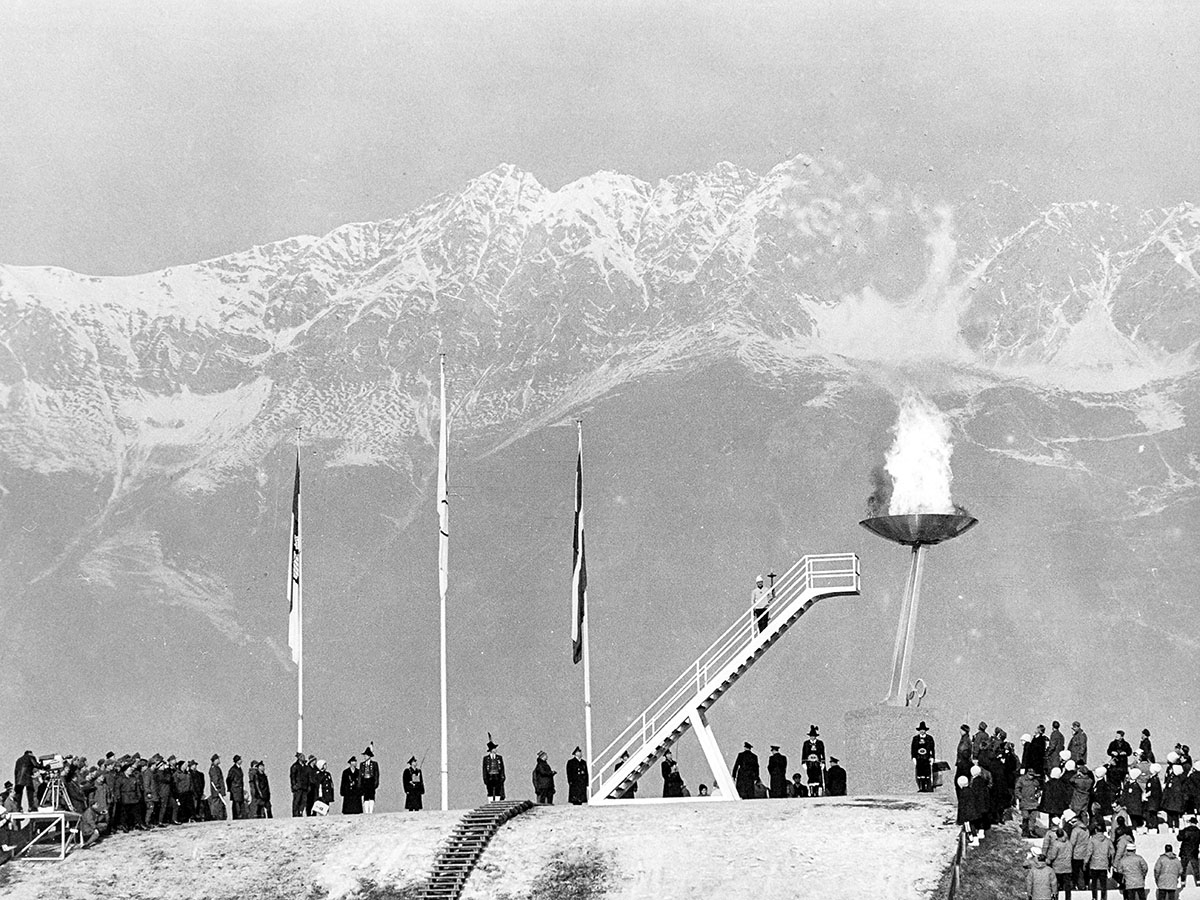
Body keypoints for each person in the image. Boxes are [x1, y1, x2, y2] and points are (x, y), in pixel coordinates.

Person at [1086, 824, 1115, 900]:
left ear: (1096, 830)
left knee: (1094, 883)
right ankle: (1103, 897)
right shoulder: (1108, 840)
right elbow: (1112, 851)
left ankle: (1094, 897)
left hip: (1094, 864)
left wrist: (1085, 862)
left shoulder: (1092, 840)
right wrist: (1111, 861)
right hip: (1104, 864)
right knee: (1103, 883)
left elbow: (1089, 852)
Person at [1016, 768, 1043, 837]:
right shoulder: (1021, 780)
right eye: (1030, 774)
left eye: (1033, 775)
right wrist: (1020, 797)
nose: (1031, 776)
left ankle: (1031, 831)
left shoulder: (1035, 781)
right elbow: (1017, 789)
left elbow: (1039, 789)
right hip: (1025, 801)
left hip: (1033, 802)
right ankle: (1025, 831)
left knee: (1032, 818)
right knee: (1025, 817)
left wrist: (1038, 794)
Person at [1176, 816, 1200, 889]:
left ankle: (1183, 882)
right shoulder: (1199, 832)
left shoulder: (1185, 830)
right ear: (1196, 823)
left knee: (1183, 868)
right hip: (1194, 852)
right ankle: (1198, 881)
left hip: (1185, 851)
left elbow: (1179, 838)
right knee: (1196, 867)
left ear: (1190, 822)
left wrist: (1180, 831)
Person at [912, 722, 936, 792]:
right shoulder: (915, 739)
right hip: (919, 759)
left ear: (925, 730)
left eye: (923, 730)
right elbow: (913, 749)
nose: (922, 731)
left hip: (926, 759)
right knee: (919, 774)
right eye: (921, 730)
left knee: (927, 773)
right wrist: (913, 757)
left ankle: (927, 787)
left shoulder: (929, 738)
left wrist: (932, 758)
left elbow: (932, 749)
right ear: (919, 730)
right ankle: (921, 787)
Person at [482, 735, 506, 802]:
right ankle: (490, 803)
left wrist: (503, 776)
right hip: (489, 777)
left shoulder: (499, 757)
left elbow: (502, 768)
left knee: (498, 790)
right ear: (491, 750)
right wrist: (485, 778)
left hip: (497, 776)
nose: (496, 750)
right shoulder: (486, 759)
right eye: (494, 748)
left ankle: (497, 802)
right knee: (490, 791)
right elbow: (484, 769)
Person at [360, 745, 379, 814]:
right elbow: (360, 776)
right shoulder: (362, 764)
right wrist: (360, 784)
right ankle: (366, 811)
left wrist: (376, 783)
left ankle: (370, 811)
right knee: (366, 797)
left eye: (366, 755)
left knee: (371, 797)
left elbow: (376, 774)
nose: (364, 757)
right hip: (365, 781)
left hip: (371, 781)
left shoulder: (374, 764)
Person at [226, 755, 246, 820]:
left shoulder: (239, 768)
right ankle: (237, 816)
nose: (241, 761)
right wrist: (230, 788)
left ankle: (240, 816)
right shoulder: (233, 769)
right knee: (236, 803)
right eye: (240, 759)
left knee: (240, 803)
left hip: (239, 789)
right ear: (237, 761)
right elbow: (228, 779)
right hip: (235, 789)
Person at [208, 754, 227, 820]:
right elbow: (215, 778)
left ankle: (220, 816)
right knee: (216, 803)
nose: (219, 760)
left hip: (219, 789)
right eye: (218, 759)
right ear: (215, 760)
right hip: (217, 790)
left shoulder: (216, 768)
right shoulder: (213, 768)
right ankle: (216, 816)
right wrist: (217, 787)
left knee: (220, 804)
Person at [290, 752, 308, 817]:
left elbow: (307, 777)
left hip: (304, 787)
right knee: (297, 801)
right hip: (298, 787)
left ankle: (300, 813)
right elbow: (292, 777)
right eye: (302, 757)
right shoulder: (295, 766)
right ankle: (295, 814)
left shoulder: (305, 767)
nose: (303, 758)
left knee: (303, 802)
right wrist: (294, 785)